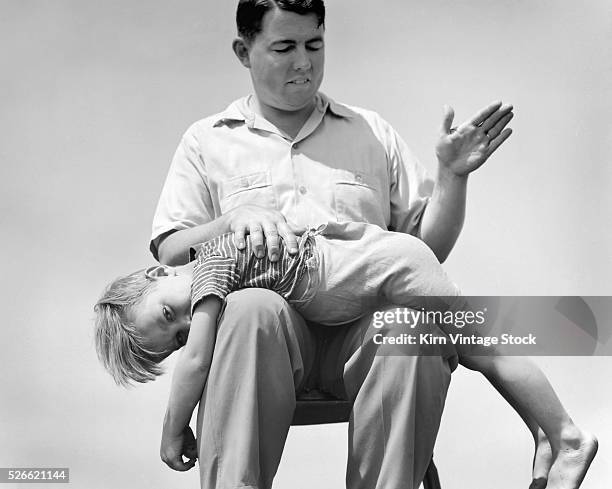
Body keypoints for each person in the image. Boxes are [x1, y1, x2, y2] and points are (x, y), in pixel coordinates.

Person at [143, 0, 553, 488]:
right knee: (251, 309)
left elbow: (424, 250)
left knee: (409, 325)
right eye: (284, 47)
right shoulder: (206, 140)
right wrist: (231, 220)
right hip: (265, 345)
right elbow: (171, 249)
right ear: (243, 50)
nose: (303, 62)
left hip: (363, 338)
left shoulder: (371, 132)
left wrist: (452, 176)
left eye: (314, 45)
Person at [94, 220, 597, 489]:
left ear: (161, 275)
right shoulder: (223, 278)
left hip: (386, 266)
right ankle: (548, 434)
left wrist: (173, 428)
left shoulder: (210, 270)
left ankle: (563, 435)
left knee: (481, 346)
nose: (188, 324)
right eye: (177, 334)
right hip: (370, 275)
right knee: (479, 344)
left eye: (167, 315)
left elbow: (199, 360)